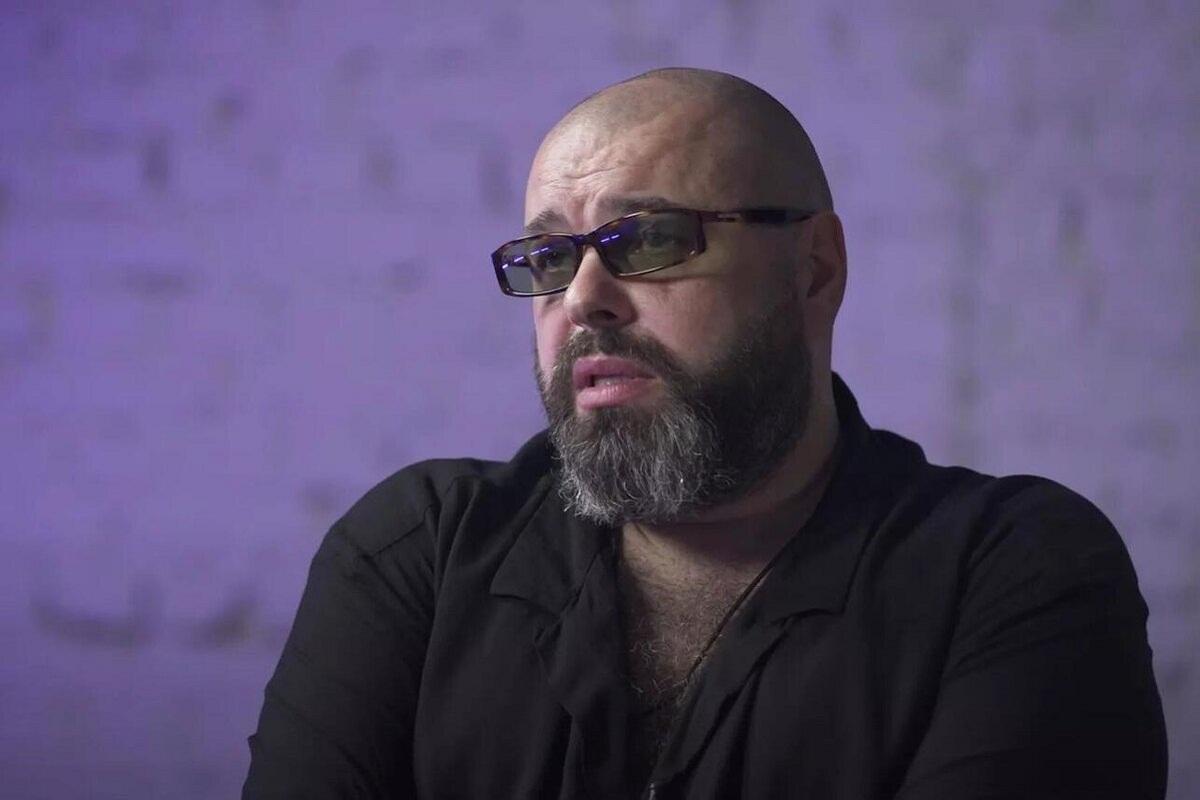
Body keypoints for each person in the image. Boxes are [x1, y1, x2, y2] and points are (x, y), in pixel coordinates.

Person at [243, 68, 1167, 799]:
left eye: (647, 239)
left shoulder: (1011, 573)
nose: (584, 300)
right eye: (549, 258)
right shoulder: (420, 554)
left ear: (814, 269)